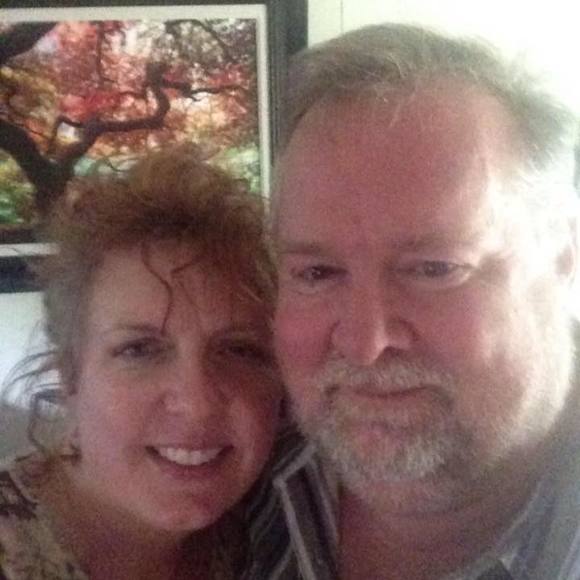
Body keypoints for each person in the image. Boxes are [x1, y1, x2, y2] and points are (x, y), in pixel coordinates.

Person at [266, 23, 580, 580]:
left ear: (562, 257)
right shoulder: (225, 476)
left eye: (434, 269)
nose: (365, 344)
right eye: (317, 272)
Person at [0, 145, 282, 579]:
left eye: (238, 350)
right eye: (140, 350)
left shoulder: (270, 525)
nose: (198, 403)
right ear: (70, 374)